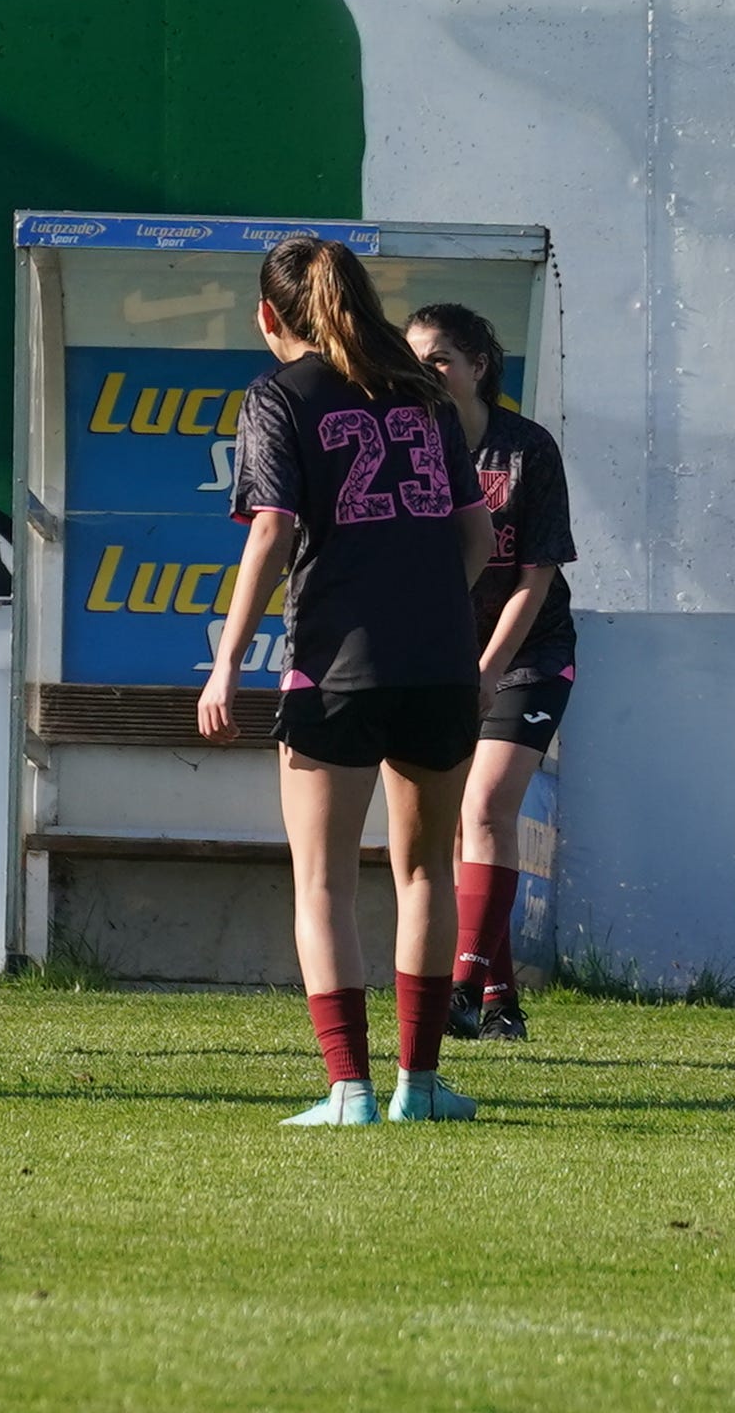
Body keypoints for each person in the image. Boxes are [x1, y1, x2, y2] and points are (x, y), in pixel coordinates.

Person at [200, 240, 494, 1128]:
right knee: (425, 873)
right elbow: (476, 532)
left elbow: (271, 532)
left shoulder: (276, 396)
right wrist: (437, 609)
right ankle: (421, 1085)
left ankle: (349, 1091)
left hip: (337, 670)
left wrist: (224, 663)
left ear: (267, 317)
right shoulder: (423, 390)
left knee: (322, 883)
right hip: (441, 667)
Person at [409, 300, 578, 1041]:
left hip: (529, 654)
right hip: (447, 655)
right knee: (456, 830)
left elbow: (534, 578)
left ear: (480, 366)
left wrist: (486, 669)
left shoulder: (525, 447)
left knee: (483, 812)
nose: (426, 372)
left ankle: (462, 989)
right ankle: (503, 1002)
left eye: (440, 358)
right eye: (413, 359)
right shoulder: (409, 443)